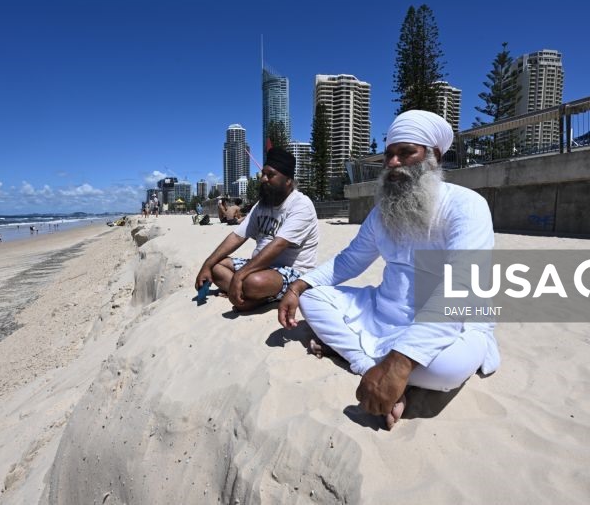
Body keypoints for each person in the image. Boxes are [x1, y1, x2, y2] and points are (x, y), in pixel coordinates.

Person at [278, 110, 500, 430]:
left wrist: (401, 361)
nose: (393, 163)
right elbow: (349, 261)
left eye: (406, 153)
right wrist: (299, 286)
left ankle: (384, 366)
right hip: (384, 313)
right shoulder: (383, 212)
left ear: (434, 156)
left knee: (447, 368)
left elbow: (462, 286)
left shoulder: (466, 205)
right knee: (313, 300)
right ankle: (368, 364)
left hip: (450, 321)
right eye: (389, 155)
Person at [195, 147, 319, 312]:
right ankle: (247, 294)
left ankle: (254, 294)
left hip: (293, 272)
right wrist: (206, 264)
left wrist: (240, 275)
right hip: (260, 267)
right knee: (216, 266)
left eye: (271, 175)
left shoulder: (301, 205)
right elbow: (237, 237)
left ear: (288, 180)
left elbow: (278, 245)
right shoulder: (262, 205)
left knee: (253, 282)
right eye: (263, 174)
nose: (264, 179)